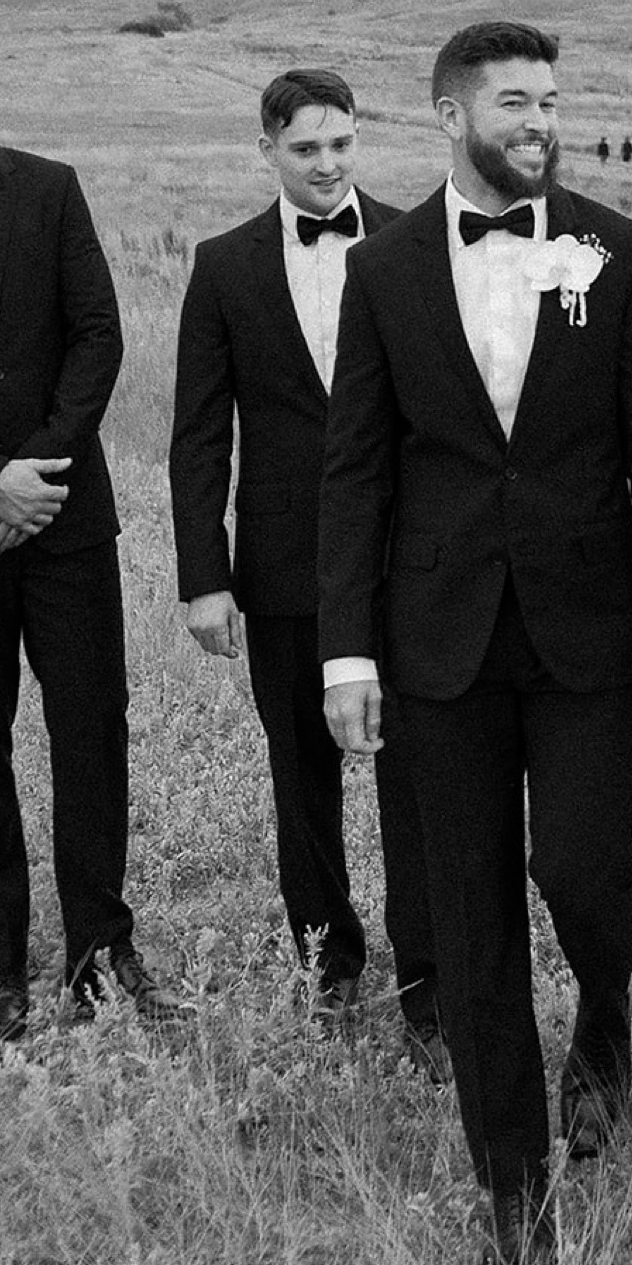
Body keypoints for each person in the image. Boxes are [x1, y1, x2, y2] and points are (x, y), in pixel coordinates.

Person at [316, 21, 632, 1265]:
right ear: (448, 115)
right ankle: (514, 1188)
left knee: (585, 869)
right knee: (469, 909)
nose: (538, 120)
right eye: (512, 102)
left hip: (585, 626)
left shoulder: (619, 249)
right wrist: (344, 657)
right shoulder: (381, 271)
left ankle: (605, 1020)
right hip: (436, 639)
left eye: (550, 100)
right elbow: (357, 471)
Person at [168, 68, 440, 1064]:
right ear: (268, 150)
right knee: (303, 779)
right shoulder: (224, 264)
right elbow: (200, 434)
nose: (326, 166)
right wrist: (206, 570)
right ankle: (327, 967)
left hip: (407, 566)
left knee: (415, 778)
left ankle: (430, 986)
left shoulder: (418, 241)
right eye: (305, 149)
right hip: (280, 567)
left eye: (341, 145)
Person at [0, 16, 178, 1040]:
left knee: (92, 730)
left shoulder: (51, 185)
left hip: (67, 519)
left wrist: (34, 470)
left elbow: (99, 331)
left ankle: (101, 950)